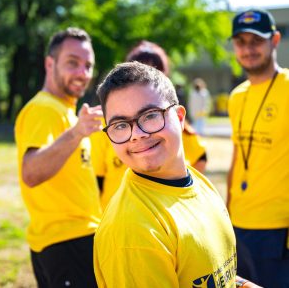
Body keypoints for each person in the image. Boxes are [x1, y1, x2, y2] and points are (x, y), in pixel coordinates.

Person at [93, 61, 260, 288]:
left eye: (150, 115)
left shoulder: (197, 182)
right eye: (121, 125)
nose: (137, 135)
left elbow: (215, 275)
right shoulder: (132, 233)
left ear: (180, 118)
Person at [14, 27, 103, 288]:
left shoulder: (67, 111)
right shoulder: (44, 109)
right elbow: (30, 173)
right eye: (72, 63)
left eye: (88, 65)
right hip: (66, 244)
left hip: (74, 242)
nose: (82, 73)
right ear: (49, 63)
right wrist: (76, 133)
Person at [90, 40, 207, 210]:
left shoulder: (172, 122)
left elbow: (201, 157)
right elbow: (96, 177)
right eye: (138, 69)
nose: (138, 133)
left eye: (155, 70)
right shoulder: (105, 125)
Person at [227, 8, 289, 287]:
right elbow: (237, 157)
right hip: (239, 225)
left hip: (278, 229)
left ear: (274, 40)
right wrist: (225, 215)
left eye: (256, 41)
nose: (248, 49)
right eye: (241, 42)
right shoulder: (236, 96)